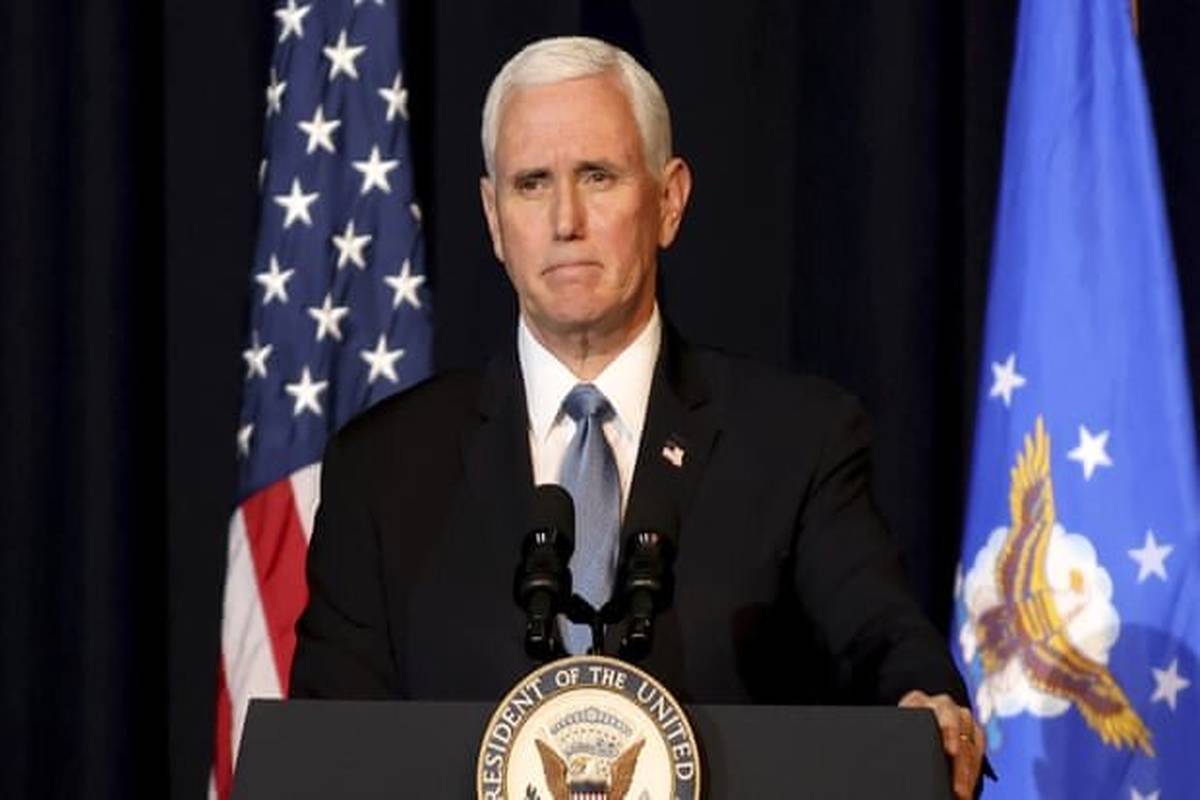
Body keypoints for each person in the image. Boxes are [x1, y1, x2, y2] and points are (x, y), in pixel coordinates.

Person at [291, 35, 986, 798]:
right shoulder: (383, 467)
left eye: (598, 176)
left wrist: (922, 699)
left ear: (669, 200)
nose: (566, 219)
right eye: (531, 183)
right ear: (493, 217)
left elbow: (881, 637)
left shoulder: (797, 441)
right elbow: (327, 751)